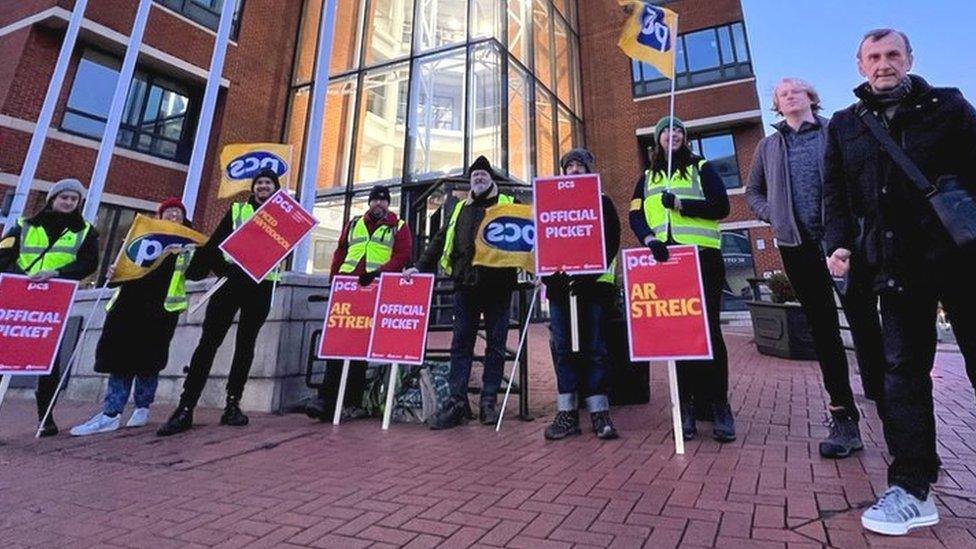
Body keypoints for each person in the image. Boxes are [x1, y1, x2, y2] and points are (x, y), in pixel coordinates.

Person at [823, 29, 976, 535]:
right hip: (894, 264)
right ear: (860, 64)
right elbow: (836, 191)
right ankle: (912, 487)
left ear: (909, 58)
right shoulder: (846, 124)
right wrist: (838, 243)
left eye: (893, 55)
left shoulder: (948, 106)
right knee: (903, 373)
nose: (884, 63)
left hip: (959, 257)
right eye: (874, 56)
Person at [745, 78, 888, 459]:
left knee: (864, 321)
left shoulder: (836, 130)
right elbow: (753, 192)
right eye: (781, 92)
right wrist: (775, 218)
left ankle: (888, 406)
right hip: (799, 248)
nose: (789, 94)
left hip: (846, 243)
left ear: (811, 97)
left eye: (796, 89)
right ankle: (843, 415)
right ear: (777, 105)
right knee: (824, 330)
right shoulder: (768, 146)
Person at [629, 116, 735, 442]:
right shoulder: (646, 178)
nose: (672, 135)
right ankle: (686, 406)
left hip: (703, 257)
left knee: (709, 331)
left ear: (684, 138)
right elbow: (635, 214)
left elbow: (722, 206)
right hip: (667, 261)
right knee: (677, 335)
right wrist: (649, 241)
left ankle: (718, 405)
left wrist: (681, 204)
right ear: (658, 139)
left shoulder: (701, 167)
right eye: (666, 131)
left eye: (678, 131)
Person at [157, 169, 282, 436]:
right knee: (209, 342)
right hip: (230, 282)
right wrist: (219, 269)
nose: (263, 186)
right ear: (253, 187)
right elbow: (215, 244)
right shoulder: (238, 210)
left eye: (268, 183)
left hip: (261, 285)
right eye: (259, 182)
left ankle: (233, 403)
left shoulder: (283, 217)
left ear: (275, 188)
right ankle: (186, 406)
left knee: (246, 344)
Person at [405, 155, 516, 430]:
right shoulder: (459, 209)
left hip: (498, 288)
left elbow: (529, 238)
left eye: (483, 174)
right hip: (465, 287)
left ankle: (488, 402)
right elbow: (440, 241)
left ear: (491, 178)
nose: (478, 178)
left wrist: (538, 270)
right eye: (474, 175)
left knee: (496, 346)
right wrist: (420, 267)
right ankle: (457, 403)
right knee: (460, 346)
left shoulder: (509, 205)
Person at [69, 199, 194, 436]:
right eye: (169, 212)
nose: (174, 215)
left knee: (149, 362)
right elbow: (123, 270)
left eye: (178, 212)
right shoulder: (141, 237)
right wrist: (113, 274)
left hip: (160, 308)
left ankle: (142, 407)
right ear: (160, 216)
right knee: (120, 360)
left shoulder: (189, 243)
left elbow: (196, 271)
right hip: (129, 306)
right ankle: (111, 412)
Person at [0, 178, 99, 436]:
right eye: (63, 197)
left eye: (73, 199)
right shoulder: (24, 225)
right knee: (4, 354)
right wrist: (20, 276)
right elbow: (3, 256)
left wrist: (57, 273)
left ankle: (46, 418)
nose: (68, 202)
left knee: (48, 359)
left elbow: (89, 263)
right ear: (52, 199)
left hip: (53, 300)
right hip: (18, 298)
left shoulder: (86, 231)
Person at [304, 184, 412, 421]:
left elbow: (403, 255)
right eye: (375, 200)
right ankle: (327, 400)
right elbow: (340, 252)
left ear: (388, 203)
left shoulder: (398, 226)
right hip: (347, 289)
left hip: (375, 289)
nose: (379, 204)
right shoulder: (354, 224)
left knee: (360, 346)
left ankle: (348, 400)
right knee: (338, 342)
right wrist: (334, 280)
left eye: (383, 200)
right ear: (369, 202)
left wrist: (378, 274)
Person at [543, 148, 621, 441]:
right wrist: (553, 276)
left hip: (594, 287)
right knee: (564, 349)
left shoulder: (602, 203)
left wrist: (587, 273)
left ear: (589, 169)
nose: (574, 170)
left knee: (595, 348)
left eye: (579, 165)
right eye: (569, 166)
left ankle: (600, 413)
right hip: (561, 289)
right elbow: (543, 241)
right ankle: (567, 414)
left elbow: (611, 240)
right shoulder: (550, 203)